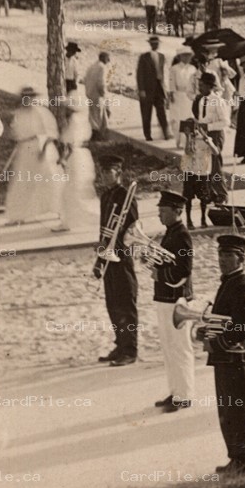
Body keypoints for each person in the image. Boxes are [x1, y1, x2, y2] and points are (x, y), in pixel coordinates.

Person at [205, 234, 245, 475]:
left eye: (228, 255)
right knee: (229, 412)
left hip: (237, 359)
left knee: (241, 413)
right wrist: (206, 332)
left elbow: (242, 327)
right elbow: (225, 320)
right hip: (227, 358)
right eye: (220, 255)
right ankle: (237, 459)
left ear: (241, 258)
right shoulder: (229, 281)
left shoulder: (241, 284)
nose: (222, 260)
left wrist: (215, 342)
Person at [151, 189, 195, 412]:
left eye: (163, 211)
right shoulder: (170, 232)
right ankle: (175, 391)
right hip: (164, 297)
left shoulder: (182, 235)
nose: (159, 215)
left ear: (177, 211)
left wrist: (161, 274)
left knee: (179, 347)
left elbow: (184, 270)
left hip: (177, 299)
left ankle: (184, 395)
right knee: (169, 347)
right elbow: (166, 261)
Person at [95, 155, 139, 366]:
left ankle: (130, 350)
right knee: (112, 302)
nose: (103, 176)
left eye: (108, 172)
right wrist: (100, 257)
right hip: (108, 256)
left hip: (121, 256)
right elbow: (103, 229)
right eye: (102, 172)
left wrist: (117, 241)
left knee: (125, 303)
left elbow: (132, 230)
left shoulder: (126, 196)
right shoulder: (106, 196)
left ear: (118, 173)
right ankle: (120, 344)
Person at [3, 86, 61, 226]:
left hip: (40, 147)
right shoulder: (20, 113)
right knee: (22, 182)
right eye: (24, 97)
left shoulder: (41, 112)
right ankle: (18, 215)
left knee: (50, 180)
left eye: (30, 97)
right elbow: (15, 134)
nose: (27, 99)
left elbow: (51, 134)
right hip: (24, 149)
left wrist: (43, 151)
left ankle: (60, 209)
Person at [179, 119, 217, 228]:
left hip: (203, 171)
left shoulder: (207, 140)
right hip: (190, 171)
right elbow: (188, 152)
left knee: (204, 198)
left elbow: (216, 152)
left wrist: (207, 140)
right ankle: (189, 220)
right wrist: (188, 137)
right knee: (188, 197)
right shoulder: (189, 139)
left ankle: (203, 219)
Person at [135, 35, 170, 142]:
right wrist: (141, 90)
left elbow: (164, 73)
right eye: (154, 43)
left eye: (157, 43)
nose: (155, 45)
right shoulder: (144, 57)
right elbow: (139, 74)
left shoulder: (162, 56)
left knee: (162, 112)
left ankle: (166, 133)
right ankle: (148, 135)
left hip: (159, 89)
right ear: (150, 44)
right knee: (146, 113)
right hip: (147, 90)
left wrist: (166, 88)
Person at [167, 50, 198, 147]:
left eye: (188, 56)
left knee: (188, 118)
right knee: (177, 118)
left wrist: (196, 94)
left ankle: (186, 141)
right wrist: (171, 93)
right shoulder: (174, 68)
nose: (186, 58)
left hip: (189, 96)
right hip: (178, 95)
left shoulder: (193, 69)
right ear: (180, 57)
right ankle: (178, 139)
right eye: (184, 56)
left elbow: (195, 83)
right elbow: (171, 82)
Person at [84, 50, 111, 136]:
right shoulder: (102, 67)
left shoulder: (92, 66)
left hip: (89, 93)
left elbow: (85, 79)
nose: (109, 60)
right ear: (103, 58)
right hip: (97, 95)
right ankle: (98, 135)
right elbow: (101, 83)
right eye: (107, 58)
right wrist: (104, 96)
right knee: (99, 116)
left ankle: (94, 133)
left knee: (93, 116)